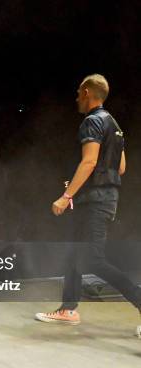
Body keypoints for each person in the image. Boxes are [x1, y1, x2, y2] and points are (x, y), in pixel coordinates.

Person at [36, 74, 141, 331]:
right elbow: (122, 167)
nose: (76, 98)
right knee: (75, 252)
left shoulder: (92, 122)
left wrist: (66, 195)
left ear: (86, 92)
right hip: (102, 200)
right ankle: (68, 309)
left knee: (92, 259)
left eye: (77, 93)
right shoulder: (114, 125)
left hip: (95, 202)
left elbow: (90, 162)